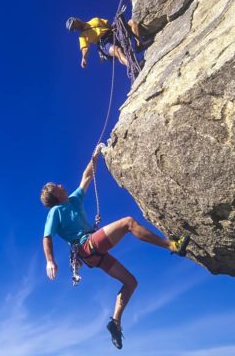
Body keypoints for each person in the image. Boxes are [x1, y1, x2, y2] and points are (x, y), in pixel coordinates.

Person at [40, 144, 190, 349]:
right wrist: (50, 261)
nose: (60, 184)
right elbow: (47, 237)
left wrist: (95, 157)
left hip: (92, 254)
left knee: (131, 282)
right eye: (56, 186)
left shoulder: (73, 200)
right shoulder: (56, 211)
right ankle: (172, 245)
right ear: (55, 194)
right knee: (128, 223)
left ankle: (115, 323)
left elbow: (86, 177)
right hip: (86, 246)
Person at [66, 16, 150, 69]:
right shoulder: (82, 36)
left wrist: (114, 26)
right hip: (104, 43)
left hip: (113, 33)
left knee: (132, 22)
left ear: (77, 20)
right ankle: (133, 66)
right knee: (117, 50)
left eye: (74, 25)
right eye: (73, 28)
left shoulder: (94, 20)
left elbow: (108, 25)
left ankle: (139, 45)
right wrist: (84, 58)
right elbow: (85, 48)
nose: (75, 28)